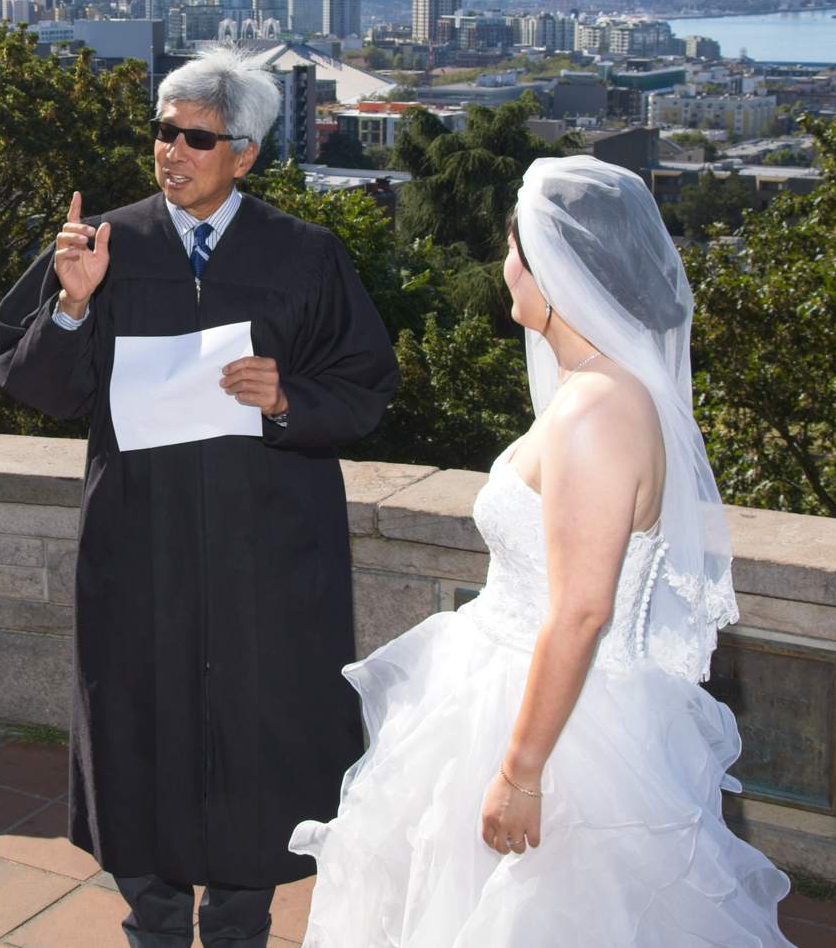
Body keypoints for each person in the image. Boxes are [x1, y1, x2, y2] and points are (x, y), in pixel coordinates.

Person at [289, 155, 793, 945]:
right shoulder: (600, 389)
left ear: (557, 269)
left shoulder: (598, 409)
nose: (505, 267)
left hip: (561, 729)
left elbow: (583, 609)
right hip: (515, 689)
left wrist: (520, 773)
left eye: (515, 250)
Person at [0, 50, 399, 948]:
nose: (171, 151)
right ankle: (157, 926)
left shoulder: (305, 254)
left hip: (270, 563)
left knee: (261, 749)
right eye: (162, 132)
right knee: (145, 739)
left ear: (244, 153)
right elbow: (36, 385)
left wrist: (289, 396)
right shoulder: (103, 245)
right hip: (144, 554)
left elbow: (368, 383)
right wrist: (70, 308)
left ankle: (242, 925)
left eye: (195, 137)